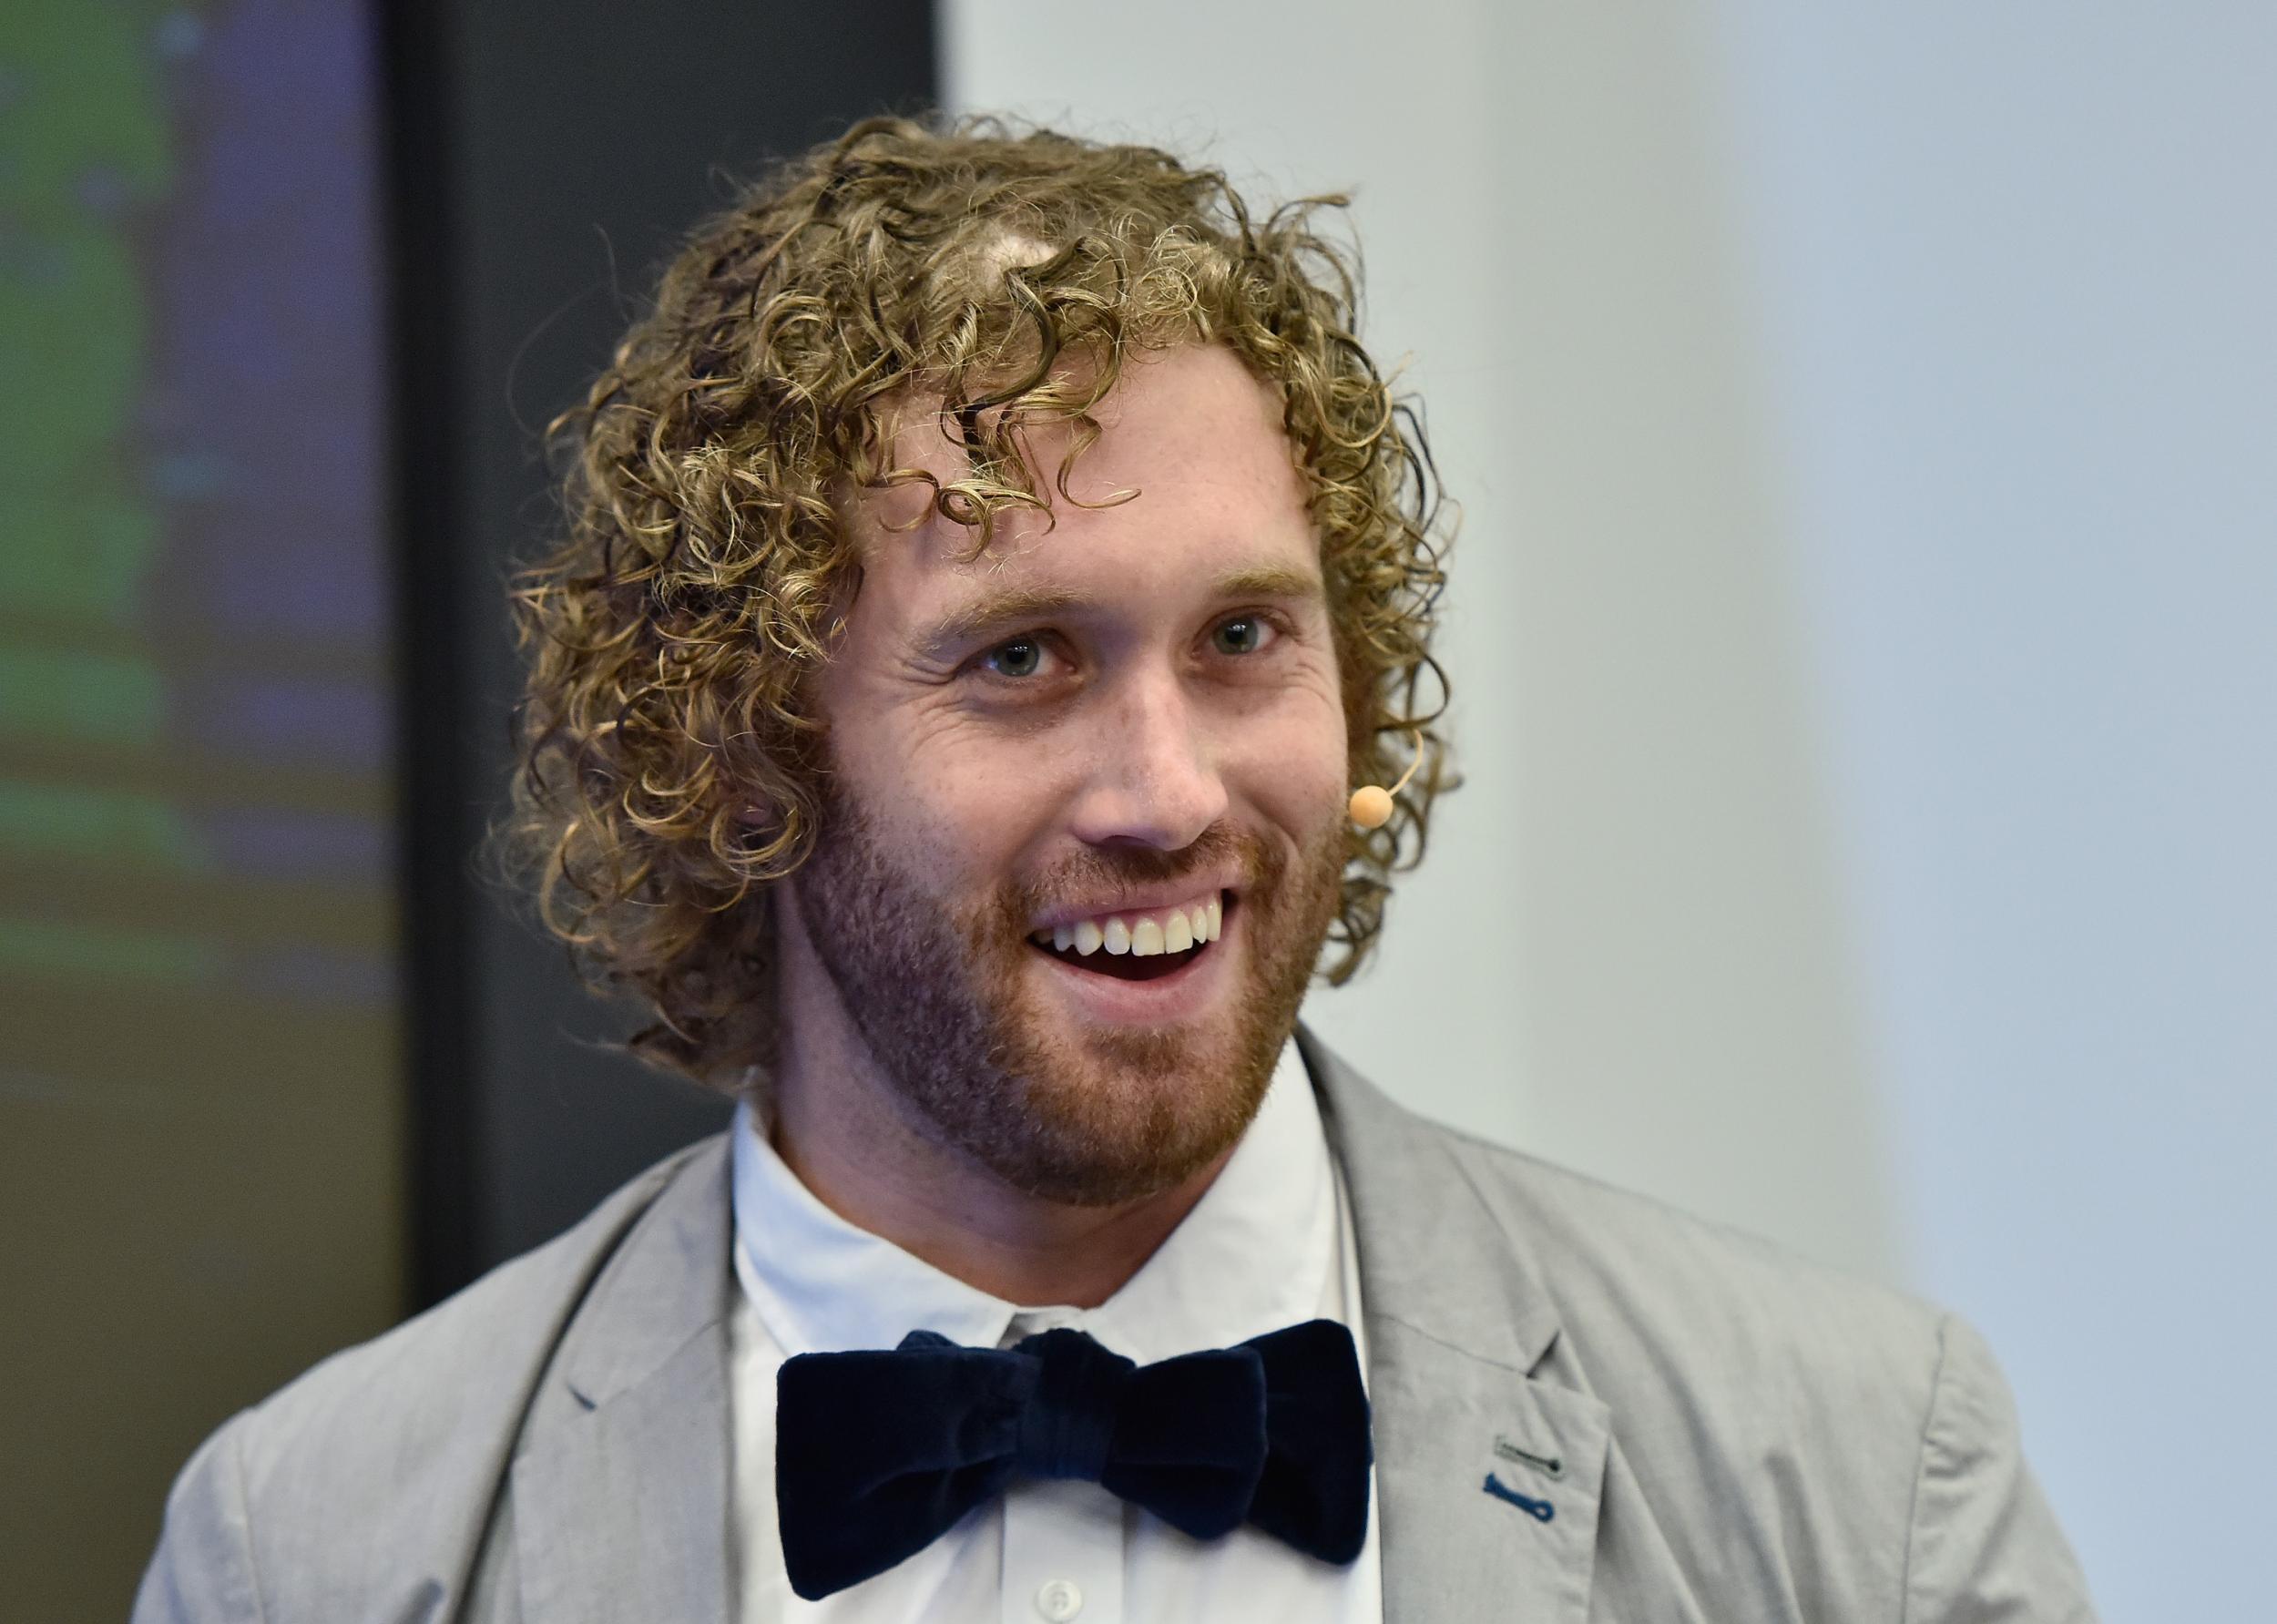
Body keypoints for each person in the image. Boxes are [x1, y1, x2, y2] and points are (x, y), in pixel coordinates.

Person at [134, 116, 2097, 1622]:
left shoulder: (1853, 1483)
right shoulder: (317, 1549)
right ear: (741, 750)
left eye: (1242, 638)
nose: (1165, 789)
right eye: (1019, 659)